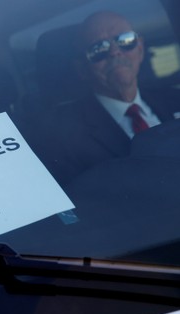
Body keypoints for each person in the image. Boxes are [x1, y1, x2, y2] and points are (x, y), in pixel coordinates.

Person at [38, 11, 180, 184]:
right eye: (98, 49)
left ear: (140, 49)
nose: (115, 52)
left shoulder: (175, 99)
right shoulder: (65, 139)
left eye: (125, 41)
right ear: (82, 69)